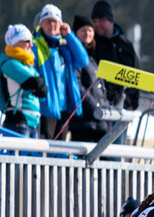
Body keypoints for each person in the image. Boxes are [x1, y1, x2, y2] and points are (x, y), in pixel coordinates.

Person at [32, 3, 90, 140]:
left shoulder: (64, 47)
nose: (52, 25)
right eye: (48, 21)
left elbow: (83, 60)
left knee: (60, 154)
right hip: (46, 107)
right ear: (41, 24)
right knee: (43, 152)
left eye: (55, 21)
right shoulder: (35, 45)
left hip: (64, 107)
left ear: (61, 25)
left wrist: (69, 35)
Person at [0, 24, 46, 138]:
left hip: (33, 122)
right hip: (18, 120)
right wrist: (37, 85)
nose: (31, 45)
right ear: (15, 42)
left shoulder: (28, 65)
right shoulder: (9, 64)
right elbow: (35, 83)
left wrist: (39, 85)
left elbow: (43, 90)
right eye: (27, 41)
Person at [68, 15, 111, 143]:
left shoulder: (92, 58)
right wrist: (95, 106)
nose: (87, 33)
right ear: (75, 33)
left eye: (90, 30)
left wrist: (106, 105)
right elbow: (77, 85)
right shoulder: (74, 55)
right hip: (84, 122)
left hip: (99, 122)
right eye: (83, 30)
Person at [90, 0, 140, 111]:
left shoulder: (125, 44)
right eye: (94, 21)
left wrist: (133, 102)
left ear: (110, 20)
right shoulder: (92, 43)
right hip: (99, 102)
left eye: (101, 20)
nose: (97, 25)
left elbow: (135, 73)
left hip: (124, 104)